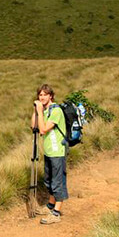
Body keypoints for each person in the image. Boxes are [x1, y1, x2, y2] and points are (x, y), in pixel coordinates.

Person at [31, 84, 68, 224]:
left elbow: (43, 129)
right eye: (40, 95)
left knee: (57, 182)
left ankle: (56, 213)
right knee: (49, 181)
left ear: (51, 96)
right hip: (48, 152)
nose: (42, 97)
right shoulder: (45, 111)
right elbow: (33, 126)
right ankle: (50, 206)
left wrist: (40, 112)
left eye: (45, 95)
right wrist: (36, 111)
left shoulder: (56, 111)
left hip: (57, 151)